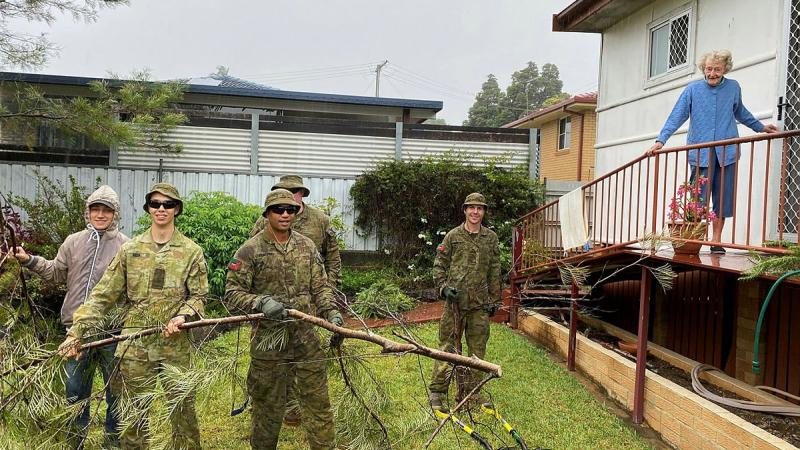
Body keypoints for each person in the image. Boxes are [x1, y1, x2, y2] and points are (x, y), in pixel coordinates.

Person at [59, 182, 207, 450]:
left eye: (168, 204)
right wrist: (76, 332)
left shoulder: (191, 251)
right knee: (132, 416)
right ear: (148, 209)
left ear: (177, 209)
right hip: (136, 345)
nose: (161, 209)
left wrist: (183, 316)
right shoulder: (130, 250)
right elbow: (103, 295)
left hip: (176, 347)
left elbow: (199, 297)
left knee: (183, 414)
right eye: (155, 204)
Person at [225, 188, 342, 450]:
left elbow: (320, 287)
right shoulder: (250, 250)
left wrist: (330, 311)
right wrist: (260, 302)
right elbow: (232, 293)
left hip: (305, 337)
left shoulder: (306, 246)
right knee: (267, 407)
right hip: (269, 340)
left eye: (291, 209)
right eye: (279, 209)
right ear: (267, 213)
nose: (286, 214)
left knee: (318, 403)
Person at [14, 185, 128, 449]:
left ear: (115, 214)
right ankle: (75, 442)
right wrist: (29, 260)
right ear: (87, 212)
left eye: (106, 210)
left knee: (116, 391)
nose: (100, 215)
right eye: (95, 209)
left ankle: (112, 442)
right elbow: (55, 272)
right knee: (75, 391)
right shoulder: (73, 242)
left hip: (111, 332)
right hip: (74, 332)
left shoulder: (126, 246)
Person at [647, 49, 778, 253]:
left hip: (727, 152)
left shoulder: (733, 87)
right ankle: (695, 242)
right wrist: (660, 140)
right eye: (708, 69)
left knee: (723, 197)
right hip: (701, 153)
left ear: (725, 68)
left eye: (717, 69)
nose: (712, 73)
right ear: (703, 69)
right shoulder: (692, 90)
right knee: (698, 199)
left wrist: (760, 127)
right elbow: (677, 116)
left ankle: (716, 241)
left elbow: (740, 111)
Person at [249, 174, 342, 426]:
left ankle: (302, 404)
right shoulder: (263, 222)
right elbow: (252, 259)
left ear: (302, 194)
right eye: (283, 192)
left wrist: (328, 294)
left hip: (308, 302)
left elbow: (332, 258)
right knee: (273, 361)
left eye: (294, 193)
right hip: (272, 308)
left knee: (305, 356)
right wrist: (258, 300)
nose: (289, 200)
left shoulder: (320, 221)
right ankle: (280, 405)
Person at [428, 193, 501, 410]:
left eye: (480, 208)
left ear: (484, 212)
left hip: (478, 305)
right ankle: (437, 392)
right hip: (455, 305)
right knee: (447, 348)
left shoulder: (491, 238)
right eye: (471, 208)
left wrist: (494, 299)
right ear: (465, 210)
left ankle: (470, 393)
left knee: (477, 351)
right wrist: (443, 288)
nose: (475, 212)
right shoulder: (453, 236)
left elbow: (495, 270)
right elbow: (439, 264)